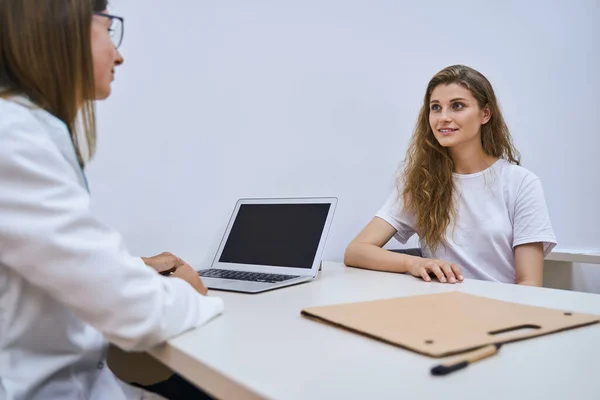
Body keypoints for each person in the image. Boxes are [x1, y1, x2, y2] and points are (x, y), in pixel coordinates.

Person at [0, 1, 222, 399]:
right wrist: (188, 290)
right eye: (108, 28)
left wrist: (133, 266)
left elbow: (41, 260)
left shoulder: (23, 129)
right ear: (61, 29)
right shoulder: (12, 137)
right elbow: (136, 314)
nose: (118, 54)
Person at [344, 65, 556, 286]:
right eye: (436, 107)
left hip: (500, 310)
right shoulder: (422, 182)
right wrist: (413, 264)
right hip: (440, 309)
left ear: (485, 114)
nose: (443, 117)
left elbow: (530, 284)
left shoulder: (520, 183)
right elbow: (356, 251)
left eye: (457, 106)